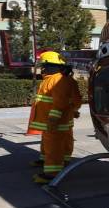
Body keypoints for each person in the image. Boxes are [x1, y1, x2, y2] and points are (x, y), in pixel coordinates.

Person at [29, 51, 82, 184]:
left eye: (44, 65)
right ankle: (54, 160)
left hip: (54, 122)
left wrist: (54, 118)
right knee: (57, 142)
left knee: (53, 146)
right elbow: (75, 100)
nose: (42, 68)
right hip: (58, 121)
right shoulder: (58, 78)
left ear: (51, 65)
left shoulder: (57, 80)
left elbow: (60, 101)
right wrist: (73, 110)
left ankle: (52, 174)